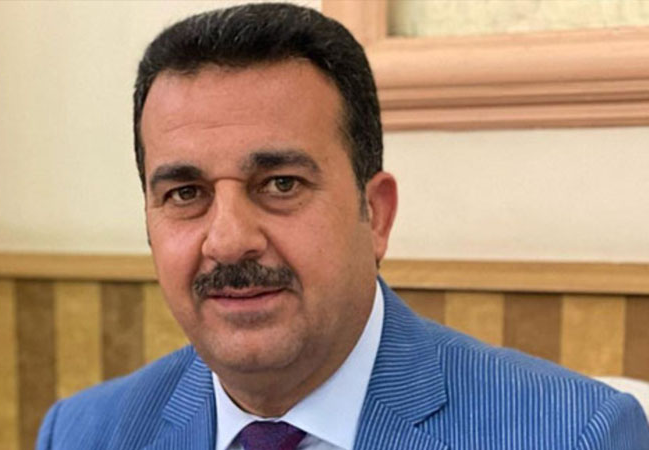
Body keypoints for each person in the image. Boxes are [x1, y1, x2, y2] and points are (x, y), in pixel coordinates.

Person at [37, 3, 649, 449]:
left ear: (375, 214)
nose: (228, 241)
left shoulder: (572, 433)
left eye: (280, 184)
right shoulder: (83, 434)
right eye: (186, 194)